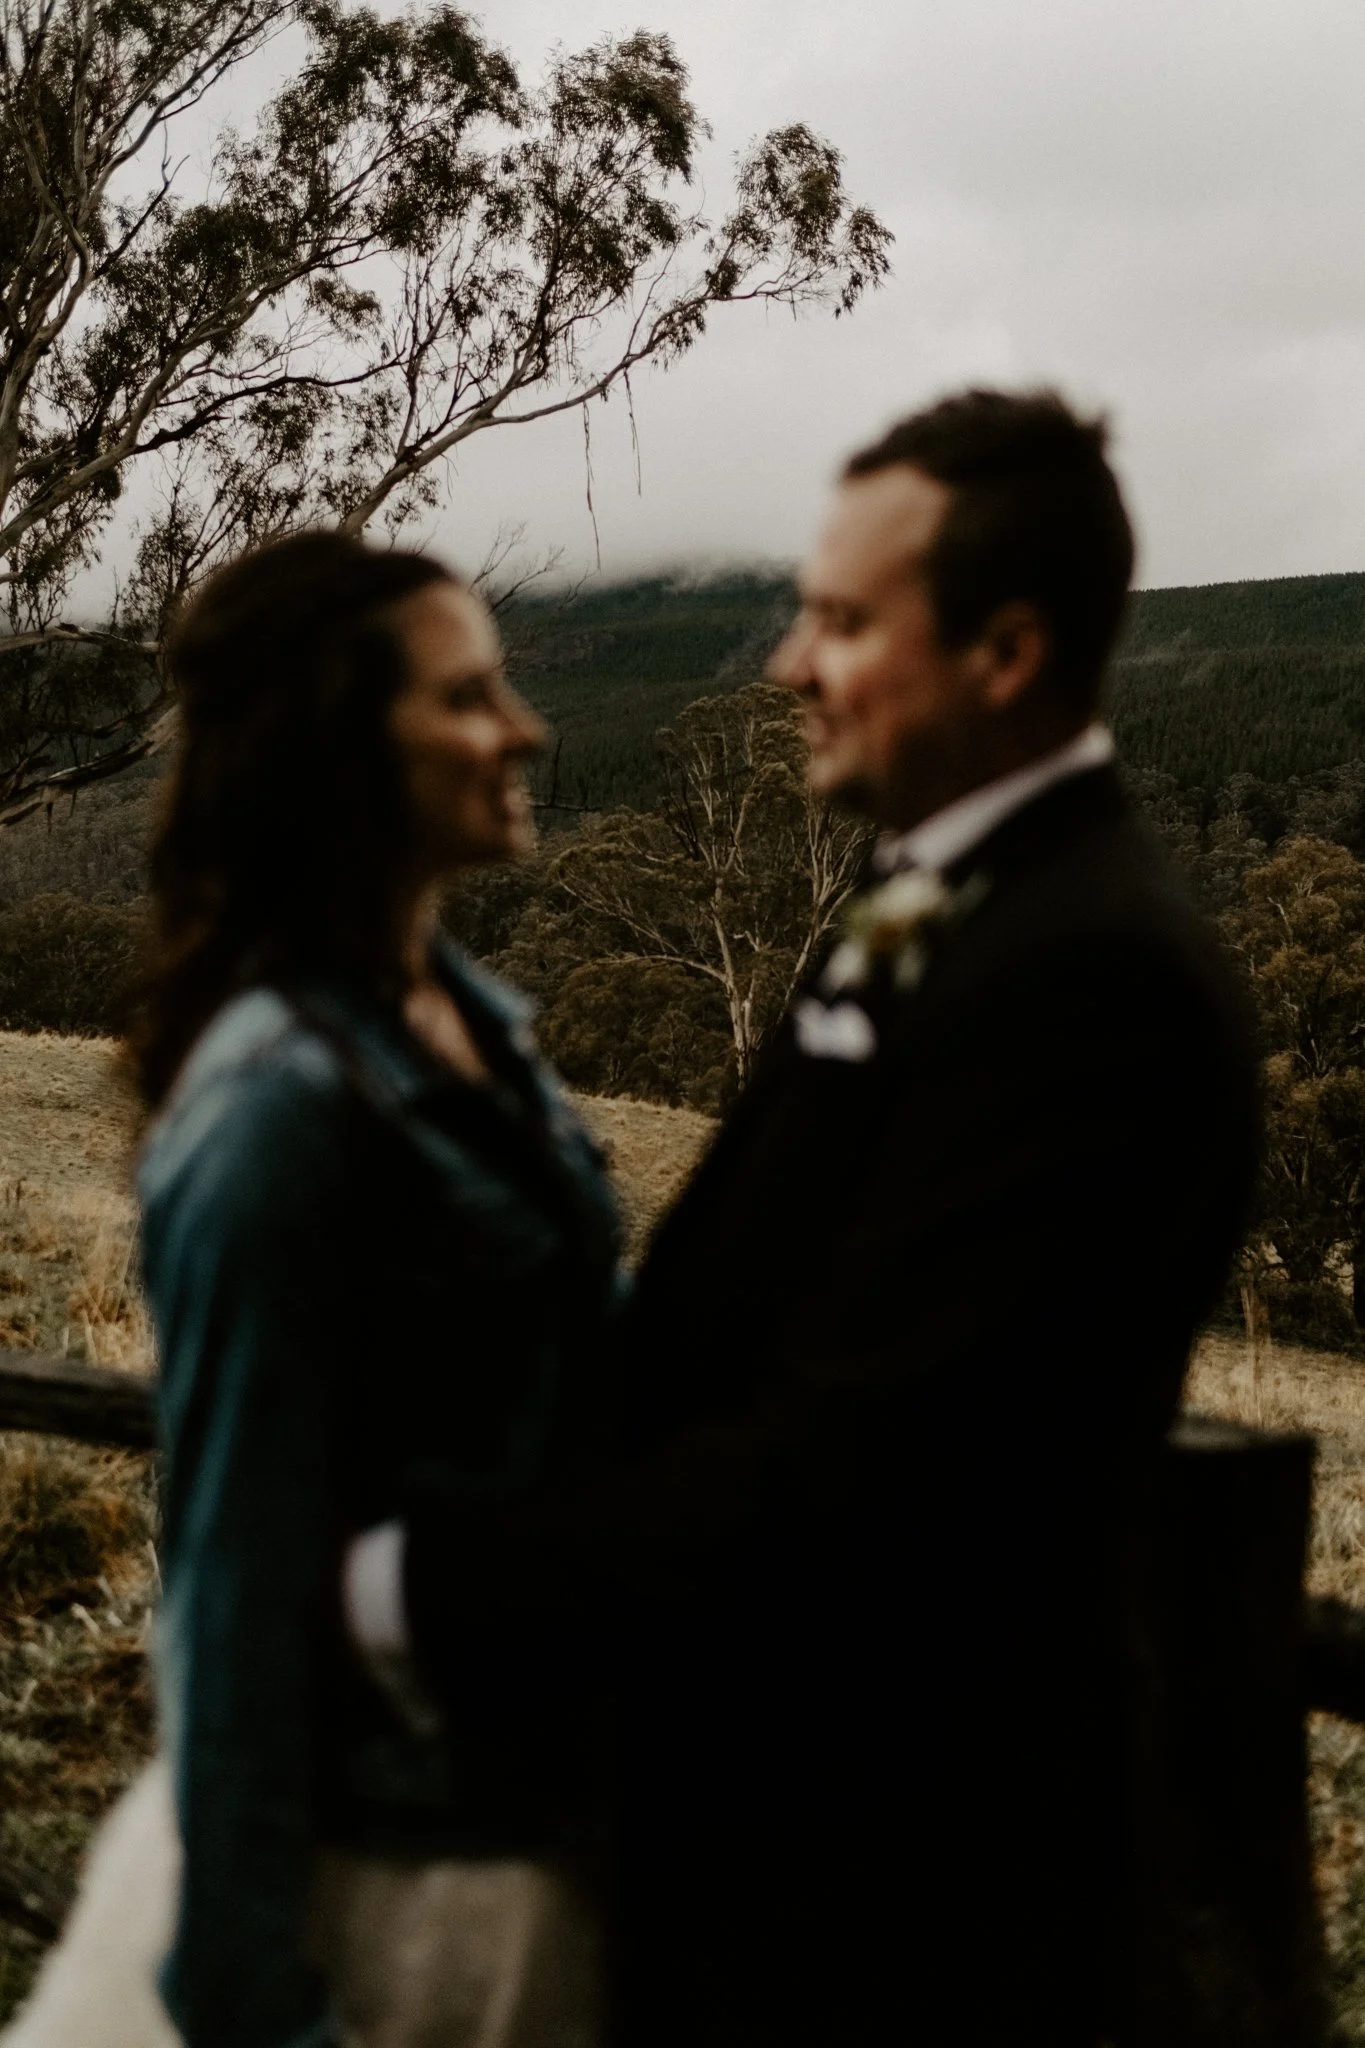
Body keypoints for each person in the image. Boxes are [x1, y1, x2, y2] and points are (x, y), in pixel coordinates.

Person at [351, 389, 1261, 2044]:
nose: (788, 665)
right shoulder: (938, 894)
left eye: (842, 622)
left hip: (910, 1910)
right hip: (767, 1863)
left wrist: (421, 1594)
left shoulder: (1099, 981)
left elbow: (870, 1478)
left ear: (1006, 652)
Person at [47, 532, 620, 2048]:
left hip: (535, 1810)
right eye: (469, 697)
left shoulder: (475, 1026)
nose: (525, 730)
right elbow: (235, 1590)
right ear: (339, 751)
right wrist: (253, 2004)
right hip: (400, 1882)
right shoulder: (276, 1107)